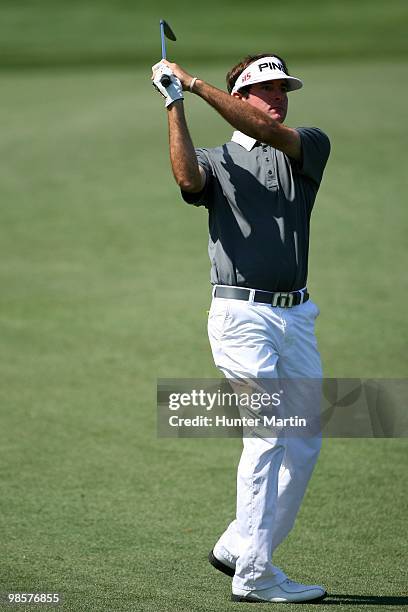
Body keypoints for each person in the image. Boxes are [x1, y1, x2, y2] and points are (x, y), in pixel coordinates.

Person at [152, 53, 330, 604]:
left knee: (303, 443)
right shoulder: (217, 161)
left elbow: (264, 129)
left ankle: (239, 546)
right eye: (267, 90)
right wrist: (174, 102)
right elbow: (186, 178)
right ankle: (253, 575)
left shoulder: (309, 145)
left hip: (298, 315)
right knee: (268, 434)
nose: (279, 98)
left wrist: (195, 83)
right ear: (243, 94)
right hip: (241, 315)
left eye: (284, 89)